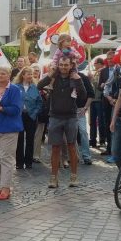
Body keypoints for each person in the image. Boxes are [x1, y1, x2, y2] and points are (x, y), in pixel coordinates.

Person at [38, 55, 87, 188]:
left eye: (66, 65)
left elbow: (83, 96)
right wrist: (50, 74)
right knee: (55, 148)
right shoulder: (54, 77)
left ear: (71, 65)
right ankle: (53, 178)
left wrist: (78, 81)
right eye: (61, 65)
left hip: (71, 117)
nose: (63, 67)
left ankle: (74, 177)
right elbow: (39, 85)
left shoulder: (75, 78)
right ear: (58, 65)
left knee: (72, 146)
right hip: (55, 116)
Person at [0, 65, 23, 200]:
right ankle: (2, 185)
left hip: (9, 128)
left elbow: (16, 110)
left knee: (6, 158)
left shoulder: (14, 90)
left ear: (9, 76)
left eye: (3, 74)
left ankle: (7, 188)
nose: (0, 76)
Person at [14, 66, 41, 169]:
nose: (30, 76)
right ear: (23, 75)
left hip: (31, 116)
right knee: (19, 139)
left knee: (30, 139)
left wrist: (34, 113)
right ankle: (19, 163)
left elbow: (39, 102)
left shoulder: (35, 87)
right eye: (28, 74)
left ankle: (28, 162)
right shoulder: (16, 87)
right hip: (19, 116)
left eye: (31, 74)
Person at [98, 49, 119, 159]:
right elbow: (99, 87)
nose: (110, 60)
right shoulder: (103, 71)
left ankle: (117, 148)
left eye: (112, 58)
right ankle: (109, 147)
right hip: (106, 100)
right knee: (107, 123)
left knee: (116, 124)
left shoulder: (120, 70)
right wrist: (102, 85)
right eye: (108, 59)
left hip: (117, 100)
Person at [88, 58, 106, 149]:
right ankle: (92, 140)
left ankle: (102, 140)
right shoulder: (96, 72)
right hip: (93, 100)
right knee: (92, 122)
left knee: (101, 121)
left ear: (100, 64)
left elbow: (99, 86)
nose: (94, 65)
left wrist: (92, 80)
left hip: (99, 100)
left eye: (95, 64)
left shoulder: (102, 72)